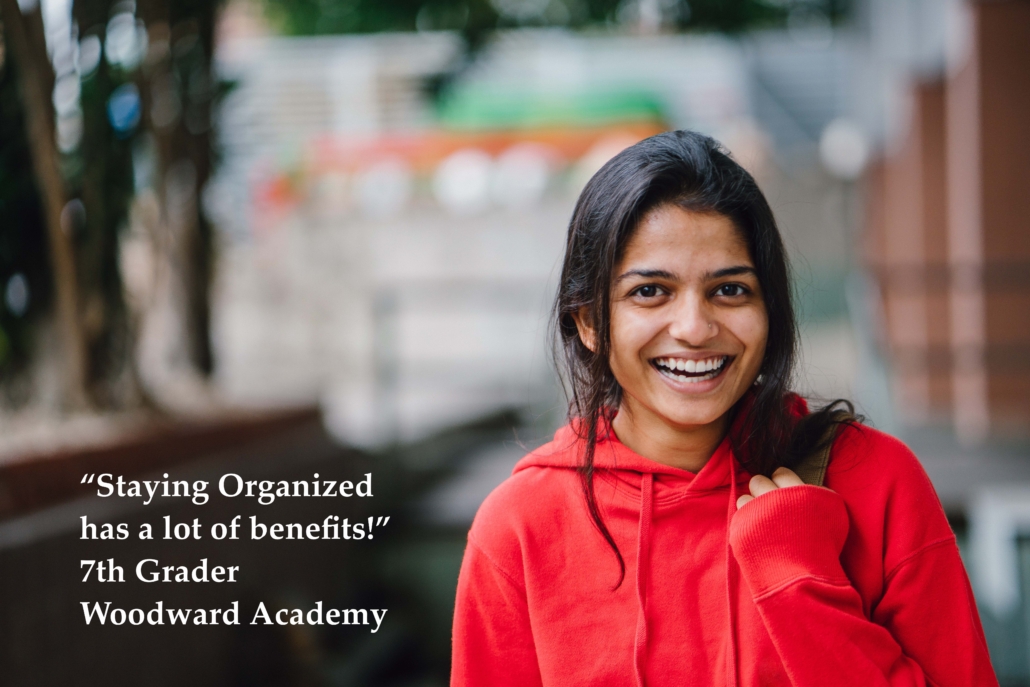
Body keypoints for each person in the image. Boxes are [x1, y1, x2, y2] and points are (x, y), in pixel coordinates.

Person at [449, 130, 998, 686]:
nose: (694, 328)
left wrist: (800, 584)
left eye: (730, 290)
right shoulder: (519, 528)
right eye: (650, 292)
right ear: (590, 321)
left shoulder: (876, 482)